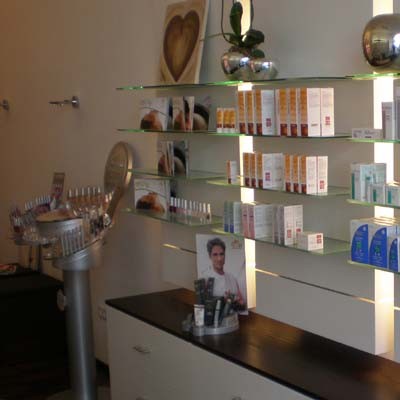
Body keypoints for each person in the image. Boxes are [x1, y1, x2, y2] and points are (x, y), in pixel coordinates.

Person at [202, 237, 245, 307]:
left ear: (225, 255)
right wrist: (223, 301)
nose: (219, 259)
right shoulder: (206, 279)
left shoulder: (232, 278)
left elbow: (242, 303)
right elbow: (203, 306)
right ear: (210, 256)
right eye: (215, 255)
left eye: (221, 254)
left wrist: (233, 300)